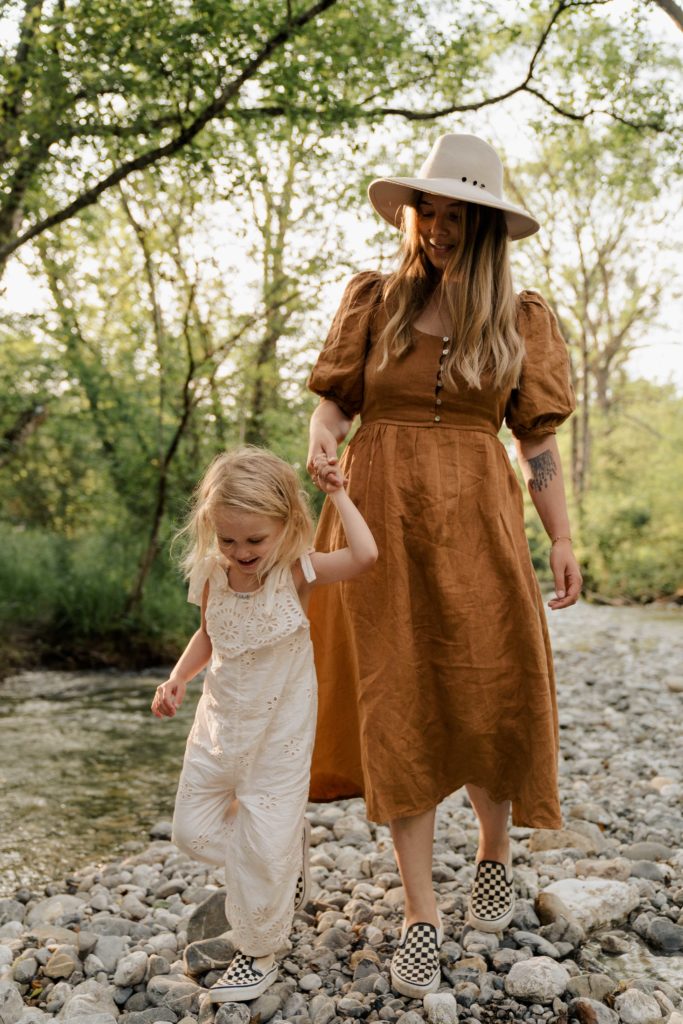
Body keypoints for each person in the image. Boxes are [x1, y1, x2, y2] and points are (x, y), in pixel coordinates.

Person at [306, 133, 582, 999]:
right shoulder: (375, 298)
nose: (437, 228)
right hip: (376, 519)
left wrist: (561, 538)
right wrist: (322, 440)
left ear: (487, 226)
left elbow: (534, 444)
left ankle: (494, 851)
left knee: (488, 683)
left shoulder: (521, 318)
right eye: (428, 212)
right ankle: (420, 912)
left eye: (457, 216)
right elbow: (333, 405)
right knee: (397, 697)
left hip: (477, 519)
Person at [151, 446, 377, 1003]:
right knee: (191, 832)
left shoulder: (296, 571)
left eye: (255, 539)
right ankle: (280, 855)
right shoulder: (213, 573)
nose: (241, 552)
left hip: (281, 731)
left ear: (286, 524)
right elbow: (209, 634)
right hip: (219, 726)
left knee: (261, 846)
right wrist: (178, 677)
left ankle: (260, 951)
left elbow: (365, 556)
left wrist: (338, 493)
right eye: (228, 539)